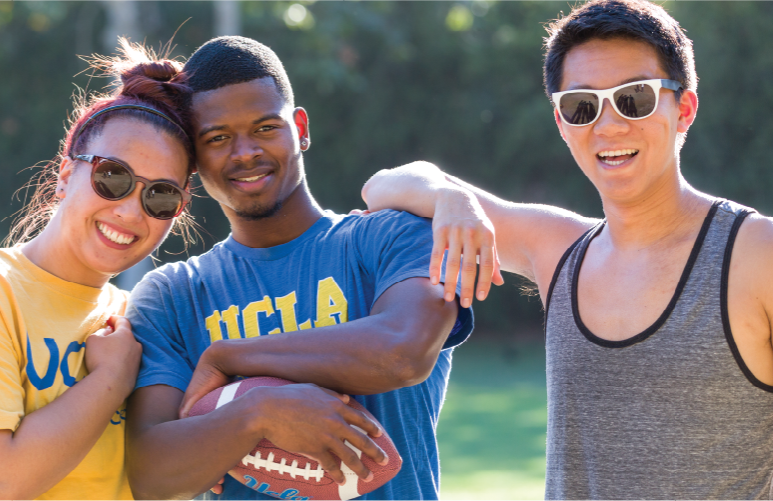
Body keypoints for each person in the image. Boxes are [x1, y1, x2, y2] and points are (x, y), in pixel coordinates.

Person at [361, 0, 773, 498]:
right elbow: (382, 185)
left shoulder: (756, 254)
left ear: (684, 108)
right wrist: (452, 198)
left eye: (634, 98)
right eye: (582, 105)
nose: (610, 125)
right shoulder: (558, 250)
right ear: (561, 122)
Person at [124, 36, 473, 501]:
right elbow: (151, 475)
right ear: (193, 156)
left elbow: (400, 353)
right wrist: (259, 411)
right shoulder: (172, 295)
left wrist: (227, 358)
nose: (245, 152)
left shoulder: (395, 237)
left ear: (301, 128)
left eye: (266, 128)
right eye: (217, 138)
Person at [0, 42, 196, 501]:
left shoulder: (139, 320)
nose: (130, 211)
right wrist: (111, 379)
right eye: (113, 177)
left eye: (160, 196)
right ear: (64, 175)